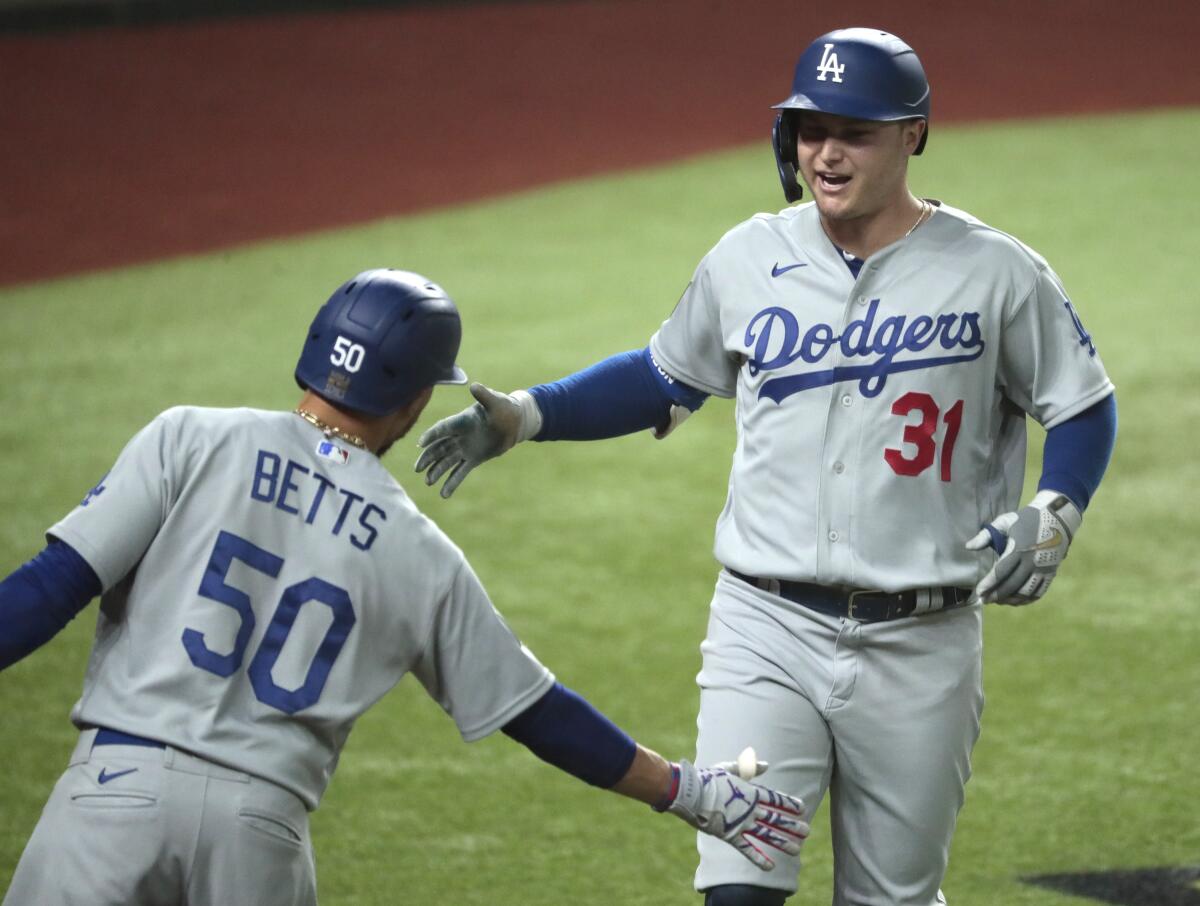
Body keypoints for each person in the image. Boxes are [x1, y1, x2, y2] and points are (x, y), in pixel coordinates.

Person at [414, 28, 1118, 906]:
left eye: (854, 131)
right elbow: (662, 375)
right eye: (811, 128)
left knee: (891, 899)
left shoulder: (996, 273)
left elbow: (1083, 402)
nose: (826, 151)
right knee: (738, 888)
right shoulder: (749, 257)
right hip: (765, 630)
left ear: (914, 133)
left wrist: (1058, 507)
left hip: (923, 641)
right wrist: (527, 415)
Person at [0, 268, 809, 906]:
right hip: (260, 835)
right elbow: (537, 713)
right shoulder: (416, 548)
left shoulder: (189, 438)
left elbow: (47, 592)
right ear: (421, 397)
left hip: (111, 799)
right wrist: (684, 792)